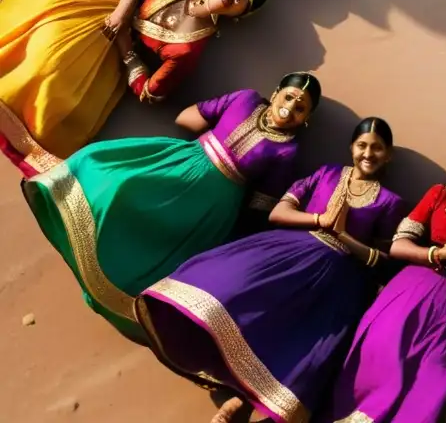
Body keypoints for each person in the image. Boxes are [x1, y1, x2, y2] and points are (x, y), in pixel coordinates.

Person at [136, 117, 405, 423]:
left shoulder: (390, 202)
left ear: (389, 154)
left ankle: (239, 406)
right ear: (351, 147)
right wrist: (320, 221)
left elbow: (383, 260)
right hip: (285, 260)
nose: (368, 154)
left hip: (335, 284)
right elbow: (280, 212)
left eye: (377, 148)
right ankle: (229, 390)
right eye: (362, 145)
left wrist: (343, 236)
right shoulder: (326, 173)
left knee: (289, 346)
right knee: (242, 308)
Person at [21, 73, 319, 340]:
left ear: (306, 119)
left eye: (300, 107)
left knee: (163, 250)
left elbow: (260, 204)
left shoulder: (287, 151)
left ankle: (106, 290)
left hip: (212, 205)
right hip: (186, 162)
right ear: (277, 90)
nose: (290, 108)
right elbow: (189, 117)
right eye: (290, 97)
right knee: (118, 184)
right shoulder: (245, 98)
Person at [0, 0, 269, 175]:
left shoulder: (188, 50)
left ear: (239, 14)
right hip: (109, 1)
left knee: (47, 61)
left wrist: (126, 49)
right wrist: (124, 8)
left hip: (107, 47)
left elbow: (150, 92)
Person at [320, 138, 446, 423]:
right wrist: (438, 253)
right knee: (384, 346)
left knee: (435, 373)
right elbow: (398, 246)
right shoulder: (438, 195)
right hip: (415, 288)